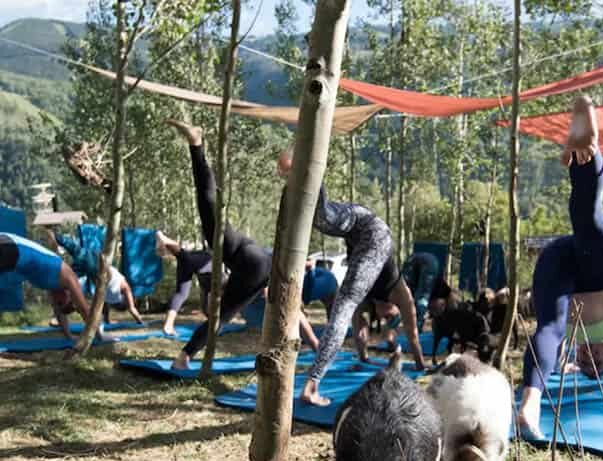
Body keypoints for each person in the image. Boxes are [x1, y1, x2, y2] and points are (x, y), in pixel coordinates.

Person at [516, 96, 603, 441]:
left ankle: (529, 406)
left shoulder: (568, 344)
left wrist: (565, 364)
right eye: (599, 361)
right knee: (588, 216)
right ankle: (585, 150)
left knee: (549, 327)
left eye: (585, 364)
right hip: (601, 265)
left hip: (559, 262)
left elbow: (550, 349)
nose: (591, 358)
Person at [277, 147, 426, 406]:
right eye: (391, 316)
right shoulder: (400, 292)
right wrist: (418, 364)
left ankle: (312, 384)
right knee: (324, 220)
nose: (386, 316)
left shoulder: (368, 295)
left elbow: (403, 334)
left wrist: (419, 367)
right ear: (393, 307)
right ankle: (307, 161)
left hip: (359, 230)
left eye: (387, 320)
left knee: (320, 220)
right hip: (371, 229)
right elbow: (409, 333)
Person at [166, 120, 318, 368]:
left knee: (222, 315)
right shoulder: (266, 283)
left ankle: (184, 357)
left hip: (252, 257)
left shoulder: (263, 279)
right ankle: (196, 145)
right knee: (207, 203)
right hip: (254, 259)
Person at [0, 232, 116, 342]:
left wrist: (69, 337)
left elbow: (60, 315)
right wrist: (100, 334)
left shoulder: (55, 286)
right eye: (60, 302)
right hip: (8, 249)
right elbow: (85, 310)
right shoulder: (69, 277)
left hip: (3, 251)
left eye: (57, 304)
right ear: (69, 296)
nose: (56, 302)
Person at [43, 228, 144, 325]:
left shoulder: (110, 298)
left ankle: (56, 238)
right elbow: (127, 292)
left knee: (69, 273)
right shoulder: (120, 292)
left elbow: (105, 306)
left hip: (94, 272)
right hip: (97, 267)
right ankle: (56, 237)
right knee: (77, 254)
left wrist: (109, 319)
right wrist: (133, 310)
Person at [400, 251, 452, 332]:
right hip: (426, 262)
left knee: (412, 296)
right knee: (420, 299)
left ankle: (415, 327)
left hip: (414, 260)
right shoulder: (439, 293)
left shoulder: (437, 289)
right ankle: (416, 328)